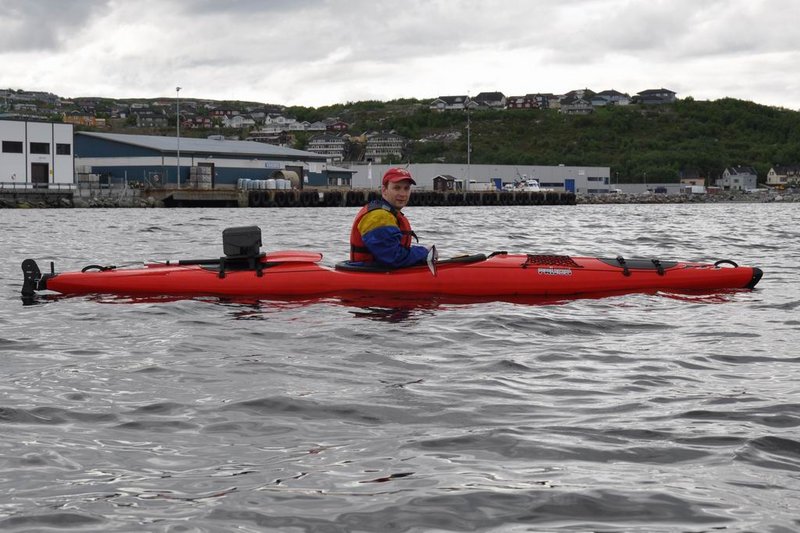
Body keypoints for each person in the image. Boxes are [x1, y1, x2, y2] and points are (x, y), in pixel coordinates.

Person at [349, 167, 431, 268]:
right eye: (397, 188)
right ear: (384, 190)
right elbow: (393, 257)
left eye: (406, 188)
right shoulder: (378, 217)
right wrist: (425, 252)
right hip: (370, 276)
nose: (403, 194)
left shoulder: (391, 214)